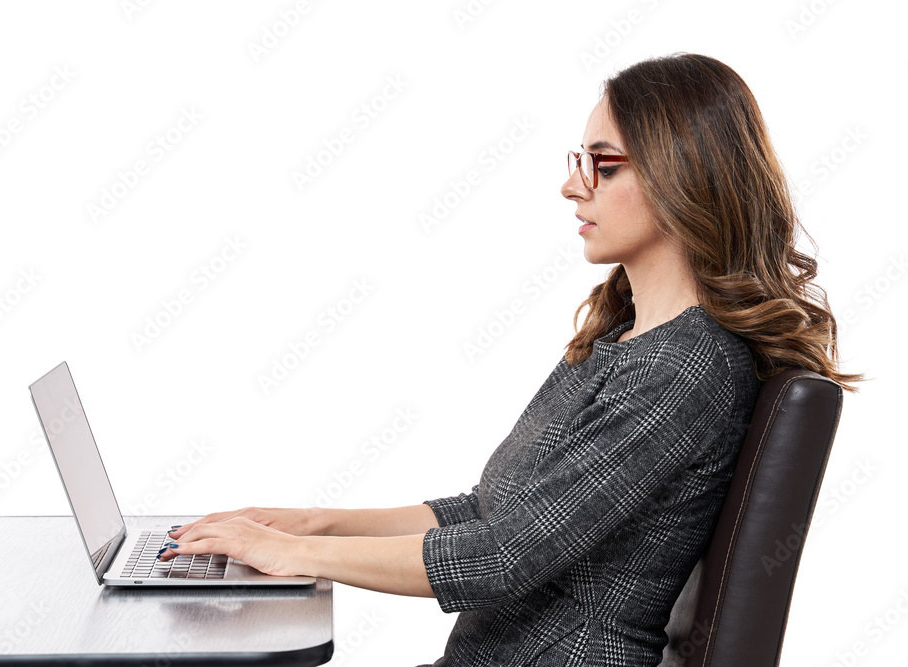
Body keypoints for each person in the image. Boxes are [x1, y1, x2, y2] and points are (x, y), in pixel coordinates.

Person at [159, 53, 865, 665]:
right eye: (578, 160)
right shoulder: (623, 338)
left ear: (683, 176)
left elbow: (505, 556)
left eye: (603, 163)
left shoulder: (686, 370)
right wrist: (312, 523)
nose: (572, 185)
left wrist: (297, 558)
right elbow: (488, 512)